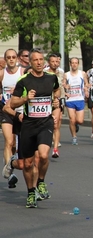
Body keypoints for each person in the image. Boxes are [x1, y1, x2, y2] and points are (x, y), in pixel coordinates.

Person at [10, 48, 60, 208]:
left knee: (44, 155)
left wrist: (57, 102)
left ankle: (41, 182)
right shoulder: (24, 80)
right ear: (30, 62)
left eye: (41, 59)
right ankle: (31, 191)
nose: (39, 62)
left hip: (45, 123)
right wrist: (26, 98)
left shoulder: (52, 78)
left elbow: (57, 90)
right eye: (35, 60)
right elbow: (13, 102)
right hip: (29, 125)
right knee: (27, 163)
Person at [1, 49, 24, 187]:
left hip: (20, 112)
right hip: (6, 111)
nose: (11, 59)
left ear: (17, 59)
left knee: (15, 145)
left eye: (13, 57)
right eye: (8, 57)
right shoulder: (2, 74)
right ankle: (10, 175)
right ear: (5, 59)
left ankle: (9, 165)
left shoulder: (22, 73)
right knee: (9, 142)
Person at [63, 57, 89, 146]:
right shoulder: (66, 74)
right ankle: (74, 137)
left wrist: (86, 90)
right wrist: (65, 88)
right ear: (70, 64)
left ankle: (76, 125)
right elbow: (63, 84)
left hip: (80, 99)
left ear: (78, 64)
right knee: (72, 119)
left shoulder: (82, 74)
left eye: (76, 63)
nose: (74, 64)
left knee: (80, 120)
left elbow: (86, 83)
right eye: (72, 63)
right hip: (70, 99)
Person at [45, 54, 65, 158]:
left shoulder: (61, 73)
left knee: (56, 125)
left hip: (57, 101)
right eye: (52, 61)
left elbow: (61, 86)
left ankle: (55, 149)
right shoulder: (45, 73)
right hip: (46, 101)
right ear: (49, 62)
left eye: (56, 61)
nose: (55, 63)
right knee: (46, 124)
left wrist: (62, 96)